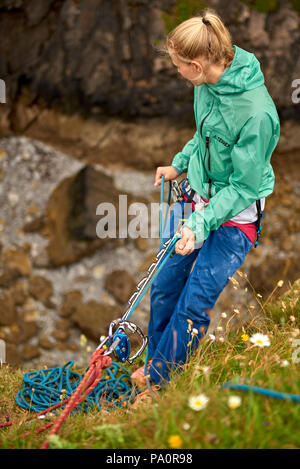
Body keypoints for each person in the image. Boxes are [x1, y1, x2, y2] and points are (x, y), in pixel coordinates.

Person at [131, 9, 280, 393]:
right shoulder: (206, 85)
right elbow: (204, 137)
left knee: (195, 300)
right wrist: (179, 164)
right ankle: (154, 369)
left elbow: (244, 188)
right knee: (165, 286)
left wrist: (198, 225)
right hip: (195, 198)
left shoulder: (258, 114)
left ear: (196, 66)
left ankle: (161, 385)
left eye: (179, 66)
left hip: (234, 218)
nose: (177, 71)